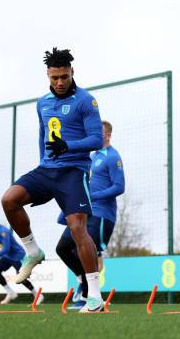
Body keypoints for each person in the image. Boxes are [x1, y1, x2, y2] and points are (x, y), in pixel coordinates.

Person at [0, 47, 105, 312]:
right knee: (9, 200)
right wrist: (42, 161)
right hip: (47, 169)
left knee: (78, 229)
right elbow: (42, 133)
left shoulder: (86, 101)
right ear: (48, 74)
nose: (59, 82)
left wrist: (68, 146)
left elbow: (96, 139)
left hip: (73, 171)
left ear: (72, 73)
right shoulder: (42, 102)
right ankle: (33, 251)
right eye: (55, 77)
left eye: (64, 77)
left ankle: (94, 295)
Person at [56, 120, 125, 309]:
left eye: (98, 131)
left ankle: (91, 296)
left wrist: (93, 196)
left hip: (102, 214)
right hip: (83, 212)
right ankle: (83, 283)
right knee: (62, 248)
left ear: (108, 134)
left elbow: (119, 187)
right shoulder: (91, 157)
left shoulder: (113, 157)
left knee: (88, 251)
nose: (93, 134)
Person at [0, 212, 43, 305]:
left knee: (21, 278)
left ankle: (38, 295)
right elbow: (3, 248)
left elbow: (6, 248)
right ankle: (10, 293)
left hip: (17, 256)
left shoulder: (4, 231)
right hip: (7, 256)